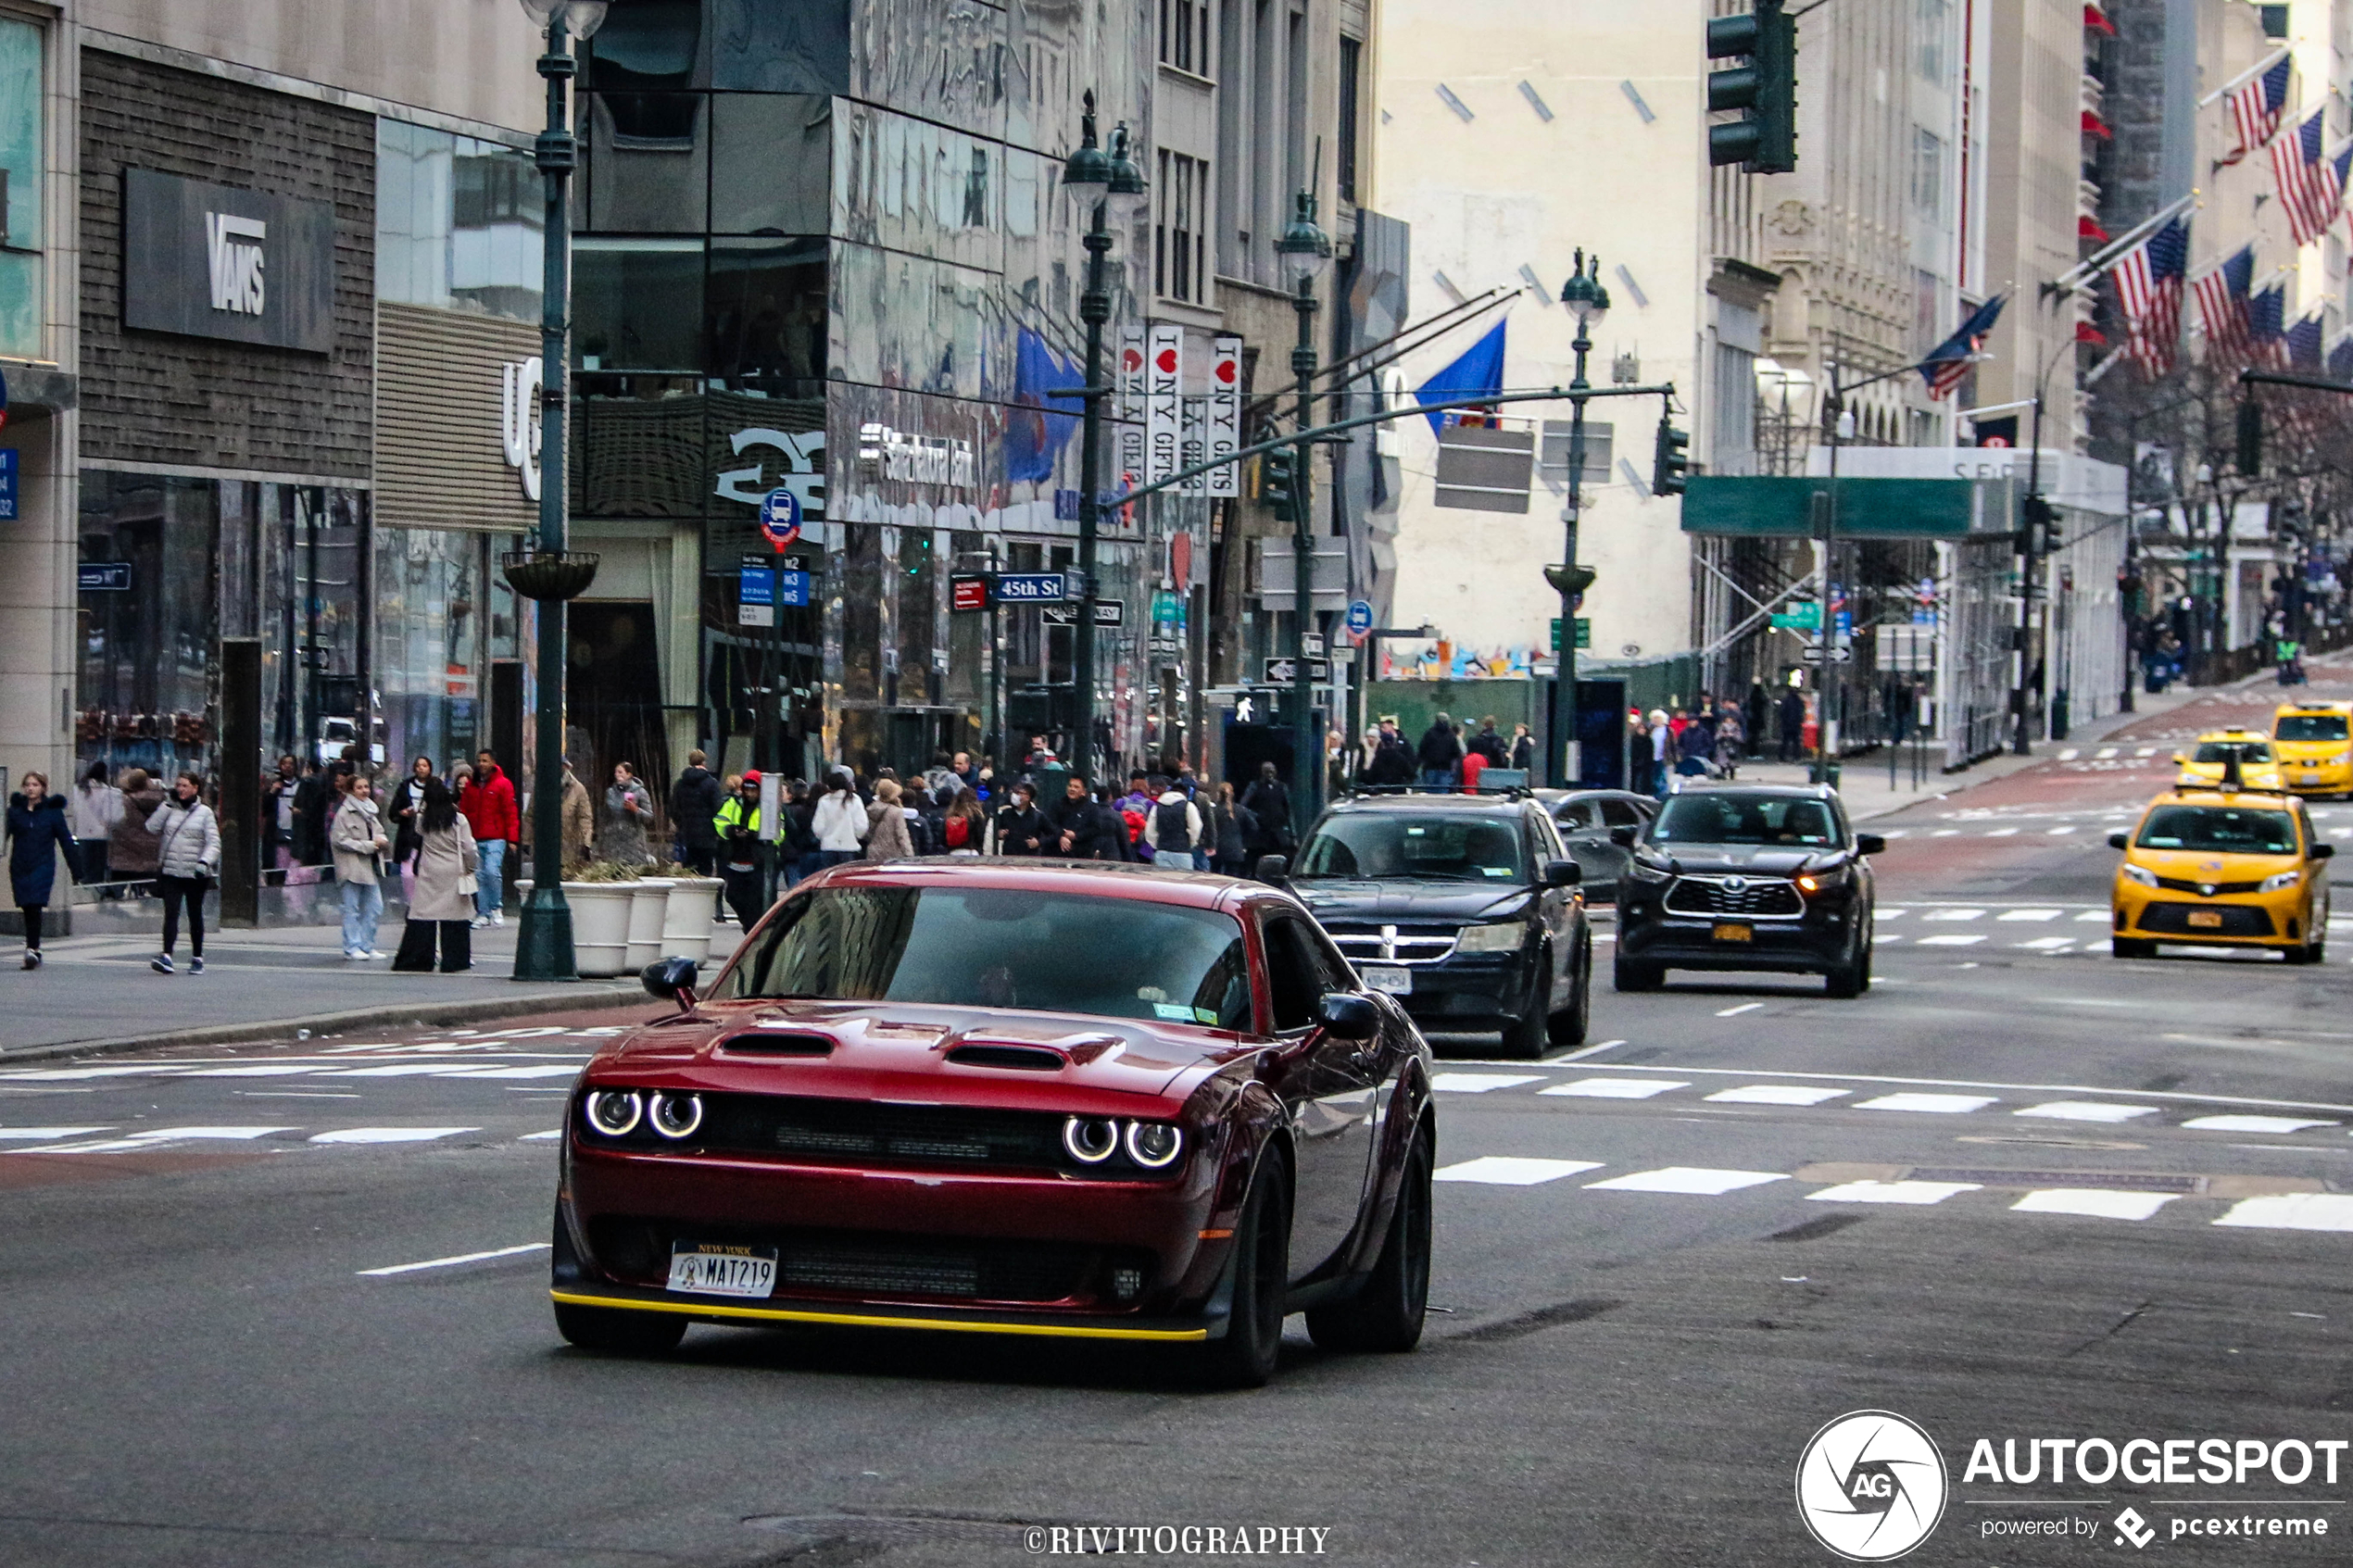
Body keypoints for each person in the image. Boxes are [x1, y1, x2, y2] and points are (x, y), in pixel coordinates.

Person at [392, 780, 477, 973]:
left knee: (424, 914)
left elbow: (418, 834)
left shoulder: (423, 820)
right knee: (455, 916)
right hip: (453, 869)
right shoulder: (459, 819)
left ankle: (418, 958)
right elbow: (468, 848)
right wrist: (470, 866)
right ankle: (455, 959)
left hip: (430, 869)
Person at [148, 771, 220, 975]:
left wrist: (204, 862)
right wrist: (166, 805)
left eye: (185, 785)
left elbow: (214, 842)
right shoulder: (170, 808)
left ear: (195, 788)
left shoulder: (204, 813)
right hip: (172, 871)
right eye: (178, 785)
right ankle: (167, 955)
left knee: (194, 914)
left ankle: (197, 957)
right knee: (171, 913)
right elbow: (152, 827)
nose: (181, 789)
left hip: (195, 874)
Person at [7, 771, 78, 969]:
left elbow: (65, 840)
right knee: (26, 906)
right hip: (20, 864)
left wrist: (76, 869)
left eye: (35, 785)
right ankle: (34, 949)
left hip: (42, 864)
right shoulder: (15, 811)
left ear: (43, 788)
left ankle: (32, 948)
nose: (31, 788)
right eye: (28, 785)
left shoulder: (52, 812)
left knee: (35, 904)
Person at [330, 774, 390, 960]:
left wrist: (382, 840)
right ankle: (352, 946)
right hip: (351, 866)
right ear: (351, 791)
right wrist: (369, 845)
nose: (364, 791)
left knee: (375, 907)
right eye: (359, 787)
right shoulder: (344, 813)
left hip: (370, 866)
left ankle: (367, 945)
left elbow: (379, 831)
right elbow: (339, 839)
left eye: (366, 787)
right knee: (352, 908)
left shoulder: (370, 810)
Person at [459, 750, 518, 927]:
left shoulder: (503, 784)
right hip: (475, 836)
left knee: (492, 871)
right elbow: (465, 811)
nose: (481, 764)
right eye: (479, 761)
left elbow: (510, 812)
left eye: (485, 761)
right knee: (479, 876)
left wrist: (512, 839)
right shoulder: (471, 785)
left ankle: (496, 906)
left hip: (495, 836)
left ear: (493, 763)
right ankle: (483, 912)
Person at [715, 771, 768, 930]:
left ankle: (752, 928)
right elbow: (719, 821)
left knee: (755, 901)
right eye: (748, 790)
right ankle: (750, 926)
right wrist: (731, 831)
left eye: (754, 790)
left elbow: (778, 831)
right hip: (735, 859)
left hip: (756, 860)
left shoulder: (767, 806)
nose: (750, 794)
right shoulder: (733, 803)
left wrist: (754, 835)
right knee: (732, 896)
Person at [66, 763, 123, 890]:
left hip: (81, 832)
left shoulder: (77, 789)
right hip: (100, 834)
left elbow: (73, 812)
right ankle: (95, 890)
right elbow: (109, 816)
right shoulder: (105, 791)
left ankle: (83, 887)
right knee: (97, 867)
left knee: (84, 865)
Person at [387, 756, 434, 907]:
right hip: (408, 834)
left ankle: (425, 900)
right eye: (418, 765)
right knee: (407, 872)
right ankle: (411, 901)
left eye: (425, 765)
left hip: (429, 834)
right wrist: (402, 814)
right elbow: (393, 812)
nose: (421, 768)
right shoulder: (405, 786)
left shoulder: (434, 786)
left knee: (426, 871)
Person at [668, 749, 723, 875]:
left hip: (687, 835)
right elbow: (718, 808)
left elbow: (674, 809)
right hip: (707, 836)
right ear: (703, 762)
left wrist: (681, 825)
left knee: (689, 872)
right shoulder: (712, 783)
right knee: (705, 871)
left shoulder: (680, 784)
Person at [109, 769, 164, 897]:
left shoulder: (123, 802)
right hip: (152, 858)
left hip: (124, 860)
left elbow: (115, 826)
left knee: (115, 902)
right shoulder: (163, 802)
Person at [809, 769, 867, 869]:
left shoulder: (824, 800)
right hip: (849, 847)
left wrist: (824, 837)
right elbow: (862, 826)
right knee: (847, 880)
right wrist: (856, 836)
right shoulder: (854, 799)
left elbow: (817, 827)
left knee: (829, 880)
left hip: (828, 847)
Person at [601, 762, 656, 868]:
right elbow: (605, 817)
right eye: (616, 772)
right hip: (614, 842)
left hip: (634, 842)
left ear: (629, 774)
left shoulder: (640, 792)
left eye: (620, 772)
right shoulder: (610, 792)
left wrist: (636, 810)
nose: (617, 775)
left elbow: (649, 817)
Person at [1145, 778, 1203, 865]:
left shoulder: (1157, 807)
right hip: (1183, 853)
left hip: (1162, 851)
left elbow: (1150, 830)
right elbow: (1196, 828)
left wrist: (1157, 844)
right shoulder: (1188, 806)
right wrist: (1191, 843)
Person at [1240, 761, 1292, 858]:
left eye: (1272, 772)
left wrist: (1293, 834)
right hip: (1260, 832)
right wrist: (1255, 818)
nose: (1270, 775)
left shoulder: (1282, 787)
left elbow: (1289, 810)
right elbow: (1243, 806)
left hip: (1278, 832)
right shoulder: (1255, 786)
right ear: (1262, 773)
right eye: (1267, 772)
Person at [1208, 781, 1256, 876]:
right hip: (1235, 849)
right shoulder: (1241, 810)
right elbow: (1254, 827)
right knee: (1233, 877)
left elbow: (1208, 829)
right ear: (1232, 794)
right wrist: (1244, 842)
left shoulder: (1213, 811)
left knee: (1214, 877)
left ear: (1218, 794)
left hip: (1217, 850)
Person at [865, 777, 916, 859]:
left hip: (874, 852)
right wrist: (909, 854)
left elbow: (867, 833)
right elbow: (902, 835)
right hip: (893, 853)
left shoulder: (870, 809)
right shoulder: (896, 812)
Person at [992, 782, 1048, 856]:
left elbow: (1053, 834)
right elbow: (995, 831)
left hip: (1030, 858)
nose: (1016, 796)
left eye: (1021, 793)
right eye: (1016, 793)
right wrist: (999, 833)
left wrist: (1039, 842)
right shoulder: (1005, 813)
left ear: (1028, 797)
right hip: (1009, 857)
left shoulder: (1038, 816)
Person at [559, 761, 595, 872]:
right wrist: (527, 840)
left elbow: (585, 817)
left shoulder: (578, 789)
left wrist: (586, 843)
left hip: (569, 846)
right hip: (545, 848)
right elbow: (531, 815)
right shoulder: (542, 786)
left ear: (565, 766)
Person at [1416, 712, 1464, 790]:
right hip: (1446, 768)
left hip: (1430, 767)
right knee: (1443, 793)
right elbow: (1456, 753)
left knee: (1430, 792)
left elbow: (1422, 750)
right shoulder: (1451, 735)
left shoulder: (1429, 733)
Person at [1363, 721, 1415, 787]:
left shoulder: (1379, 757)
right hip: (1397, 788)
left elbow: (1372, 774)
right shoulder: (1400, 757)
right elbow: (1410, 773)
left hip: (1381, 788)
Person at [942, 785, 988, 855]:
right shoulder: (976, 816)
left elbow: (942, 837)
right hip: (971, 851)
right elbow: (980, 837)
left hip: (953, 852)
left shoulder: (950, 815)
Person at [1777, 686, 1806, 763]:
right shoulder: (1799, 701)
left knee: (1785, 741)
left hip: (1787, 724)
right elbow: (1801, 712)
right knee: (1796, 742)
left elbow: (1782, 712)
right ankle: (1796, 757)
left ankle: (1782, 757)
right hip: (1796, 725)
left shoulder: (1786, 700)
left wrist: (1783, 721)